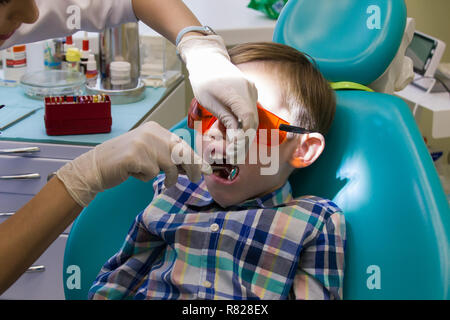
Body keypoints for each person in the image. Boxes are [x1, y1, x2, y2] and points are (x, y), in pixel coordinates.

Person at [0, 0, 259, 294]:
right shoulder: (165, 201)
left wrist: (198, 46)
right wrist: (81, 177)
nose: (33, 15)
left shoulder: (315, 223)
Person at [88, 42, 346, 300]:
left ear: (302, 149)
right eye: (206, 111)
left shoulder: (314, 221)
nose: (212, 131)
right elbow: (118, 282)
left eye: (245, 119)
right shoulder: (173, 189)